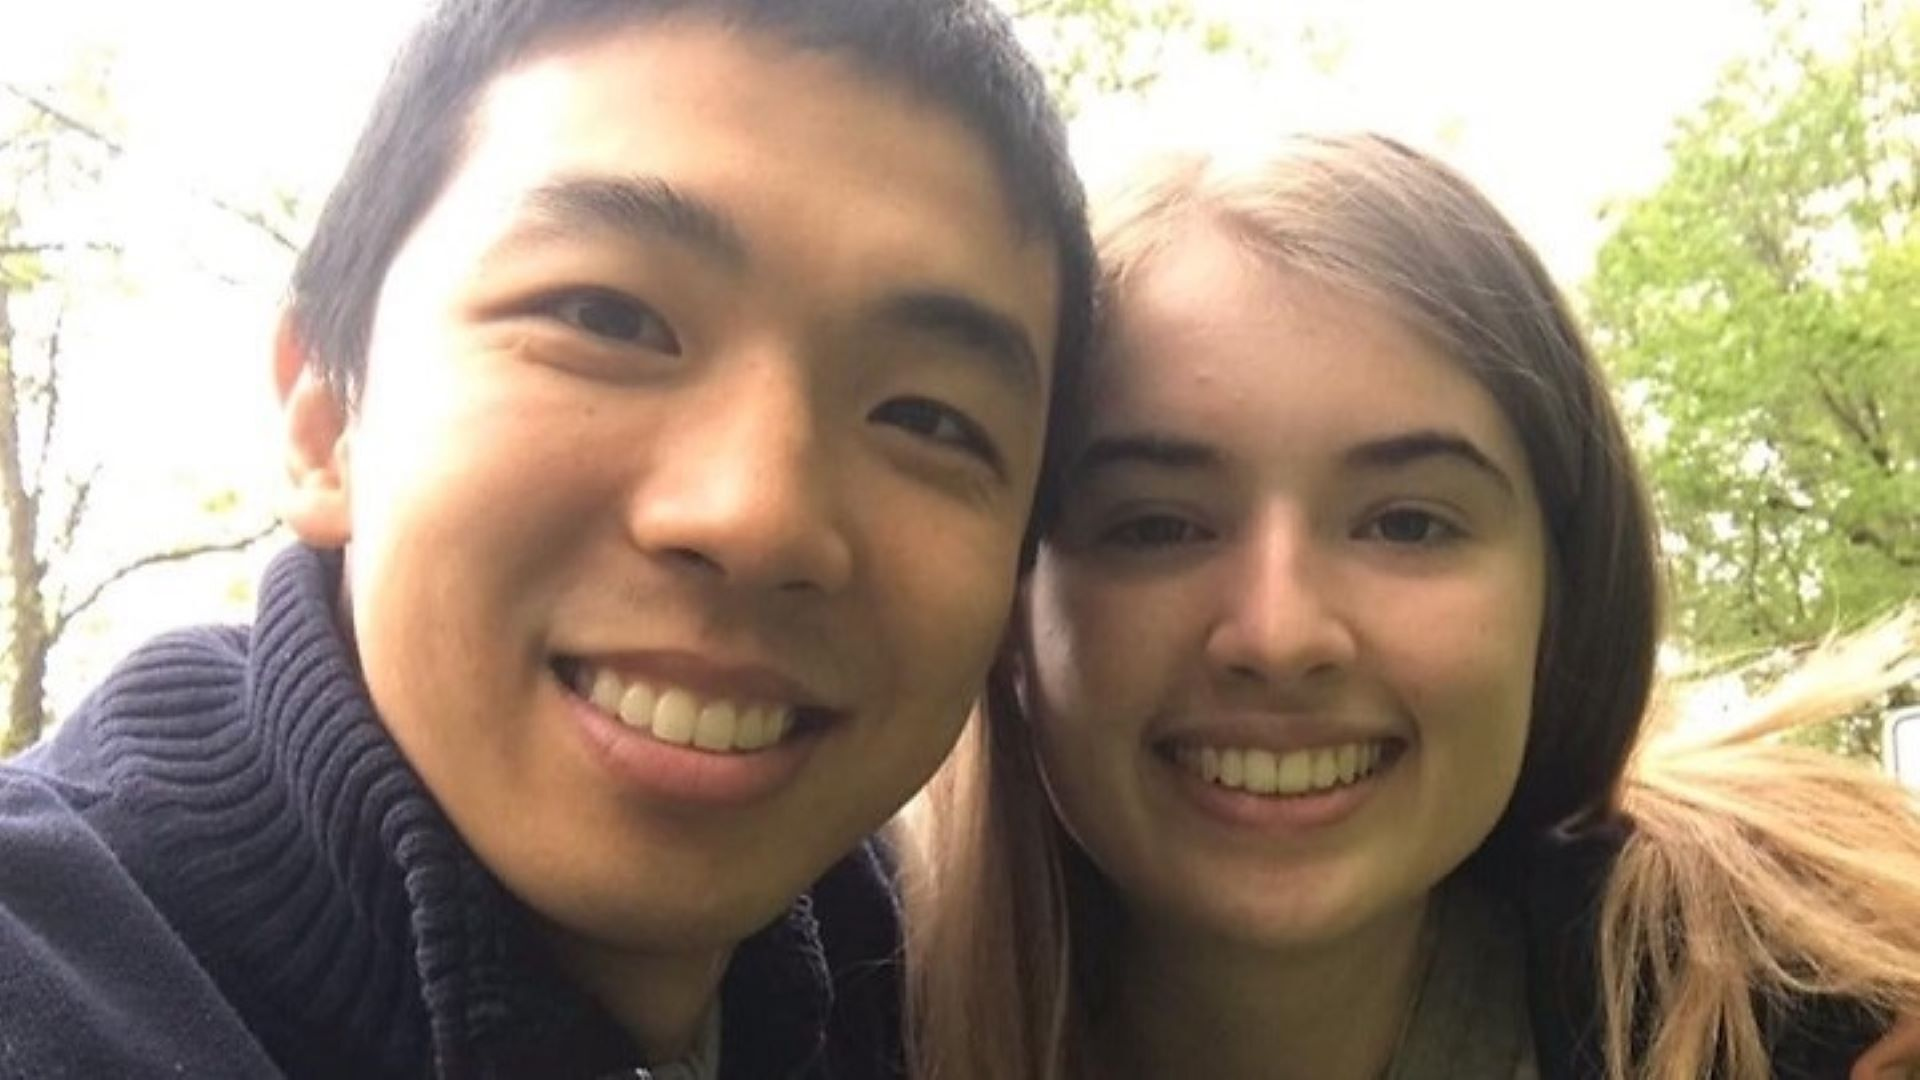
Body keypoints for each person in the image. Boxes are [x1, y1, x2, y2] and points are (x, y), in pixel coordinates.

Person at [0, 0, 1093, 1076]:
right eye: (605, 318)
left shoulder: (945, 993)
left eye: (928, 419)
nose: (757, 516)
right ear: (327, 419)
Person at [897, 132, 1920, 1080]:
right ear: (1012, 612)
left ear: (1558, 600)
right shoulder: (829, 1014)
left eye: (1408, 524)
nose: (1279, 635)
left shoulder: (1829, 1025)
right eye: (1157, 525)